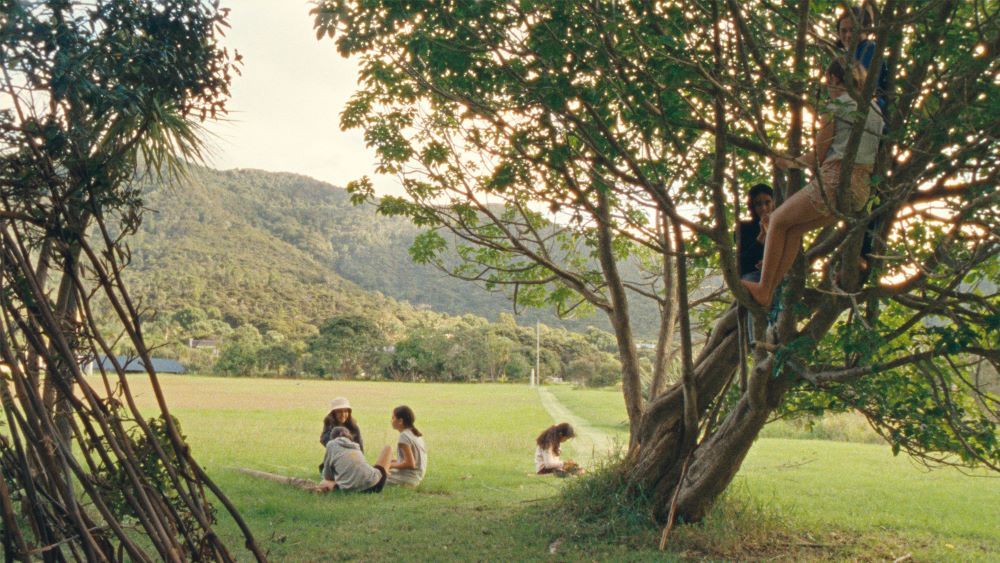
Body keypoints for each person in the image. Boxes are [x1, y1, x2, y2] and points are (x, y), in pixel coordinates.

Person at [743, 59, 884, 309]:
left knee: (775, 220)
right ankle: (769, 289)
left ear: (831, 78)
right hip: (859, 192)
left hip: (834, 182)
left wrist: (789, 162)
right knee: (792, 229)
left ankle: (765, 288)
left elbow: (819, 155)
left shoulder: (837, 106)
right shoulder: (875, 110)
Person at [835, 5, 889, 115]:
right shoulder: (849, 54)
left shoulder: (869, 48)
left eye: (853, 30)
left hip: (872, 108)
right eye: (843, 31)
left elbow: (862, 83)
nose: (848, 35)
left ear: (866, 29)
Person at [317, 427, 391, 493]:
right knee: (388, 448)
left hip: (352, 489)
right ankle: (388, 475)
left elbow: (328, 476)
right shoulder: (356, 446)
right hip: (376, 484)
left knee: (324, 482)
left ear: (333, 438)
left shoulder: (331, 444)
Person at [736, 183, 775, 282]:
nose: (763, 208)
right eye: (758, 204)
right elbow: (742, 261)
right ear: (752, 206)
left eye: (767, 203)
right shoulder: (743, 228)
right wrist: (762, 235)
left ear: (773, 203)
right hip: (753, 275)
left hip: (777, 273)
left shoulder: (782, 226)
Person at [386, 405, 428, 487]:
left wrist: (389, 465)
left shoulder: (404, 436)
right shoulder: (414, 433)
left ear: (400, 421)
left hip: (408, 479)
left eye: (393, 418)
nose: (391, 420)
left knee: (376, 479)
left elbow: (410, 464)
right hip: (416, 477)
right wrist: (391, 462)